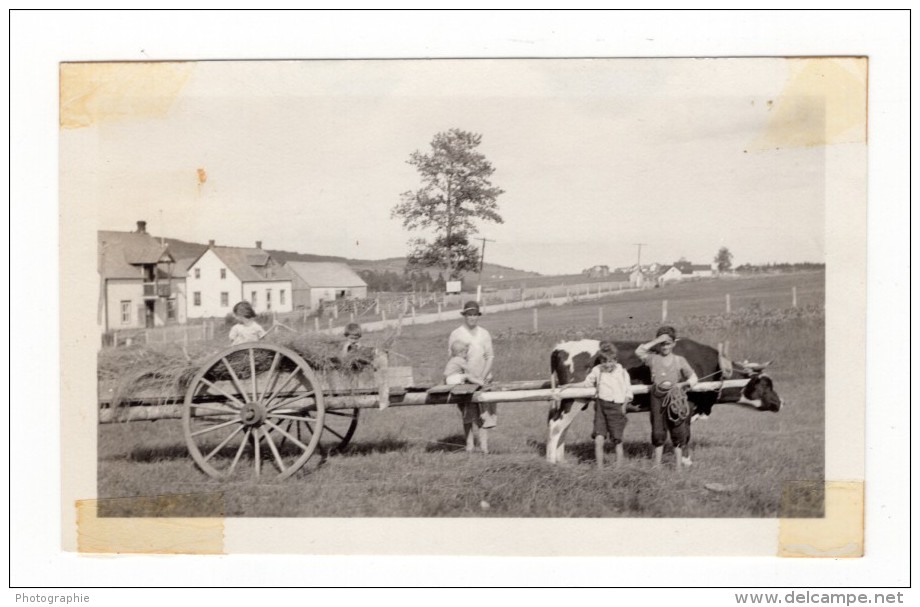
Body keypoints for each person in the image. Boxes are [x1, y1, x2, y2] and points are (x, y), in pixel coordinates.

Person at [635, 326, 699, 469]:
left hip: (675, 398)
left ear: (674, 343)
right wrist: (657, 339)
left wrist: (684, 384)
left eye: (668, 343)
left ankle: (677, 468)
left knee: (677, 430)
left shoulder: (679, 360)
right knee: (658, 430)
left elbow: (693, 378)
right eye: (662, 343)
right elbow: (639, 351)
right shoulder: (653, 358)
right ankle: (657, 466)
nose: (665, 346)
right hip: (657, 398)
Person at [566, 341, 633, 469]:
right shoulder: (597, 370)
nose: (608, 364)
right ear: (601, 361)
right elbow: (587, 383)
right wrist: (570, 385)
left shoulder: (622, 372)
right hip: (601, 407)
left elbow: (628, 391)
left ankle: (619, 469)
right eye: (604, 361)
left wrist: (623, 406)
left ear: (615, 360)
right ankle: (600, 469)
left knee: (617, 440)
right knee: (598, 438)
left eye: (611, 361)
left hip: (616, 407)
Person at [448, 300, 496, 451]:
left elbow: (490, 357)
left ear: (478, 316)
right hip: (465, 381)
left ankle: (484, 447)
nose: (472, 318)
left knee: (484, 412)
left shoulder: (484, 334)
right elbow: (453, 359)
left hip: (484, 377)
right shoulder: (456, 334)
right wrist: (465, 378)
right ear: (464, 315)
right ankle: (469, 445)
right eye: (469, 314)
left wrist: (482, 377)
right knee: (467, 412)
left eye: (475, 314)